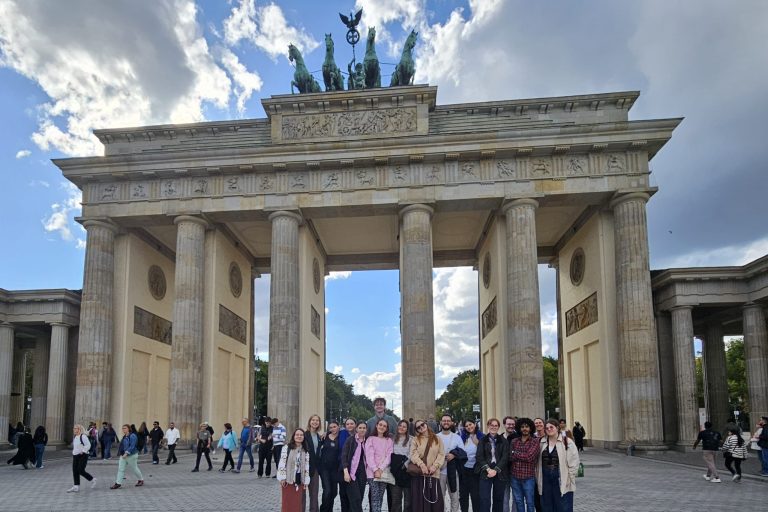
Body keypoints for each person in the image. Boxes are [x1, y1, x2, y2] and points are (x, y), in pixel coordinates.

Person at [536, 419, 579, 512]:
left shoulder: (567, 442)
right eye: (547, 428)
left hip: (561, 476)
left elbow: (574, 462)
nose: (549, 429)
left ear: (557, 428)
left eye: (551, 427)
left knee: (563, 504)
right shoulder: (541, 442)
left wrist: (569, 477)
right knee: (546, 505)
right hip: (545, 478)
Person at [410, 419, 445, 512]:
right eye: (418, 427)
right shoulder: (415, 439)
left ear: (426, 424)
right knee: (419, 503)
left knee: (435, 502)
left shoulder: (437, 439)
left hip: (433, 474)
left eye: (422, 424)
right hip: (420, 474)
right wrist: (421, 465)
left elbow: (441, 454)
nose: (421, 427)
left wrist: (435, 466)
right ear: (416, 430)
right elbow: (413, 454)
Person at [476, 418, 507, 512]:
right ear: (488, 426)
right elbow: (479, 456)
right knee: (484, 499)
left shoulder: (503, 440)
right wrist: (488, 469)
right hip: (486, 472)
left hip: (499, 472)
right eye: (491, 425)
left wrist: (496, 470)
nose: (493, 427)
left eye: (496, 425)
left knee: (498, 498)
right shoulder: (482, 440)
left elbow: (505, 457)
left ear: (498, 427)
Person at [278, 428, 311, 512]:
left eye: (301, 435)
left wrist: (306, 481)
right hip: (288, 480)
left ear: (304, 437)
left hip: (299, 479)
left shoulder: (305, 450)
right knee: (287, 503)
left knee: (297, 504)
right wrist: (282, 477)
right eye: (297, 435)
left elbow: (306, 466)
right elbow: (282, 462)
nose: (299, 436)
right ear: (293, 436)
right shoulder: (287, 448)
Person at [365, 419, 395, 512]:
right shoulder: (370, 439)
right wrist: (375, 470)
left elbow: (389, 456)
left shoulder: (389, 440)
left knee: (380, 497)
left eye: (384, 426)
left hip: (384, 472)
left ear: (386, 429)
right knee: (374, 497)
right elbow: (369, 456)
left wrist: (381, 469)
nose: (382, 427)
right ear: (377, 425)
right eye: (380, 425)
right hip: (372, 473)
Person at [510, 418, 538, 512]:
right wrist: (520, 454)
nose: (524, 428)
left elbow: (529, 457)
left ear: (530, 428)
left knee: (530, 502)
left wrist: (515, 453)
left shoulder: (535, 441)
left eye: (527, 426)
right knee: (518, 501)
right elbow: (510, 457)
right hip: (515, 477)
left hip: (528, 477)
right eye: (522, 427)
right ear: (519, 428)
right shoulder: (514, 441)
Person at [438, 414, 464, 512]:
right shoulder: (436, 437)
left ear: (452, 423)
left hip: (453, 472)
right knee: (440, 497)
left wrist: (453, 455)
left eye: (448, 421)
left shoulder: (457, 437)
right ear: (441, 422)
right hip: (439, 472)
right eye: (444, 420)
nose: (446, 422)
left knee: (454, 496)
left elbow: (462, 452)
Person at [341, 421, 368, 512]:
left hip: (363, 473)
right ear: (356, 429)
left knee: (359, 497)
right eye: (360, 428)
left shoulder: (367, 441)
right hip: (352, 472)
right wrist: (346, 473)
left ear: (366, 429)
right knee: (355, 498)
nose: (362, 430)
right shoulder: (351, 440)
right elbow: (344, 456)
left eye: (364, 428)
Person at [459, 418, 483, 512]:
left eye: (470, 424)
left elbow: (485, 452)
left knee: (475, 496)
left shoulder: (481, 436)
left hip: (476, 470)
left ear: (475, 424)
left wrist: (478, 444)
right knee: (463, 495)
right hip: (464, 470)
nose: (469, 427)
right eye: (467, 426)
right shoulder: (462, 437)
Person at [110, 424, 144, 489]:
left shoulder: (132, 436)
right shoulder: (124, 436)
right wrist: (121, 453)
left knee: (134, 468)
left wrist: (126, 453)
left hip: (132, 455)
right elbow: (122, 446)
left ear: (129, 429)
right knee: (121, 469)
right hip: (123, 455)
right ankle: (118, 483)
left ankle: (141, 479)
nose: (123, 429)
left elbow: (132, 446)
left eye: (125, 428)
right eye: (123, 428)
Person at [390, 419, 413, 512]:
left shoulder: (411, 439)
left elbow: (413, 453)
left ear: (407, 429)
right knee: (396, 500)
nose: (401, 428)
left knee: (408, 501)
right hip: (395, 472)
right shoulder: (392, 438)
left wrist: (405, 464)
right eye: (400, 425)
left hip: (406, 471)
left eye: (404, 426)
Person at [319, 420, 341, 512]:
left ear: (338, 427)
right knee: (327, 491)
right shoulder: (325, 437)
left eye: (334, 427)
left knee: (334, 492)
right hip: (324, 468)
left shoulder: (341, 437)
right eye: (330, 427)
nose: (332, 429)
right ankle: (323, 510)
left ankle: (329, 509)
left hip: (335, 469)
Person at [67, 424, 96, 492]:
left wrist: (83, 451)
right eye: (74, 428)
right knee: (75, 470)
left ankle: (92, 479)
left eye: (75, 428)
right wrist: (74, 453)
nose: (74, 429)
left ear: (79, 429)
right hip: (75, 455)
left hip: (83, 455)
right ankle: (76, 486)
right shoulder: (75, 436)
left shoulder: (83, 436)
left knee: (80, 470)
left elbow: (88, 445)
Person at [338, 417, 357, 512]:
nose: (349, 425)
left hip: (355, 468)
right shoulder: (341, 433)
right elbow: (331, 432)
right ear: (345, 426)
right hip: (342, 467)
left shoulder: (359, 435)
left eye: (352, 423)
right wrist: (325, 433)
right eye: (348, 424)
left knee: (353, 493)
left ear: (355, 425)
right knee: (343, 492)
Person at [305, 414, 324, 512]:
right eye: (313, 420)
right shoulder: (304, 435)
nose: (315, 422)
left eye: (317, 420)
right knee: (302, 494)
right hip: (304, 467)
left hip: (314, 468)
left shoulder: (319, 436)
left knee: (314, 493)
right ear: (310, 421)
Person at [502, 416, 519, 512]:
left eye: (513, 424)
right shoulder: (500, 438)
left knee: (516, 497)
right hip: (503, 472)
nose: (511, 426)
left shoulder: (519, 437)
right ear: (504, 425)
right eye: (509, 424)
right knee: (505, 497)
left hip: (516, 471)